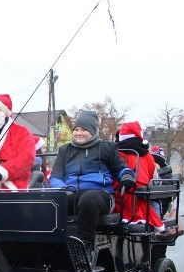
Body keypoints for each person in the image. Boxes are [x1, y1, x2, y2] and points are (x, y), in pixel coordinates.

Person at [49, 110, 135, 262]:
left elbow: (121, 169)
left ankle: (85, 247)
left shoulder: (107, 148)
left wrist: (127, 175)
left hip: (100, 195)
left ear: (93, 131)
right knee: (48, 203)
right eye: (76, 129)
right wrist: (63, 189)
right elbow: (55, 176)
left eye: (84, 130)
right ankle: (49, 248)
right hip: (71, 192)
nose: (78, 133)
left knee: (89, 199)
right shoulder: (65, 150)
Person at [113, 121, 166, 234]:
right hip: (140, 200)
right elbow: (154, 180)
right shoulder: (147, 156)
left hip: (117, 199)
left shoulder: (115, 153)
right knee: (153, 201)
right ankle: (156, 238)